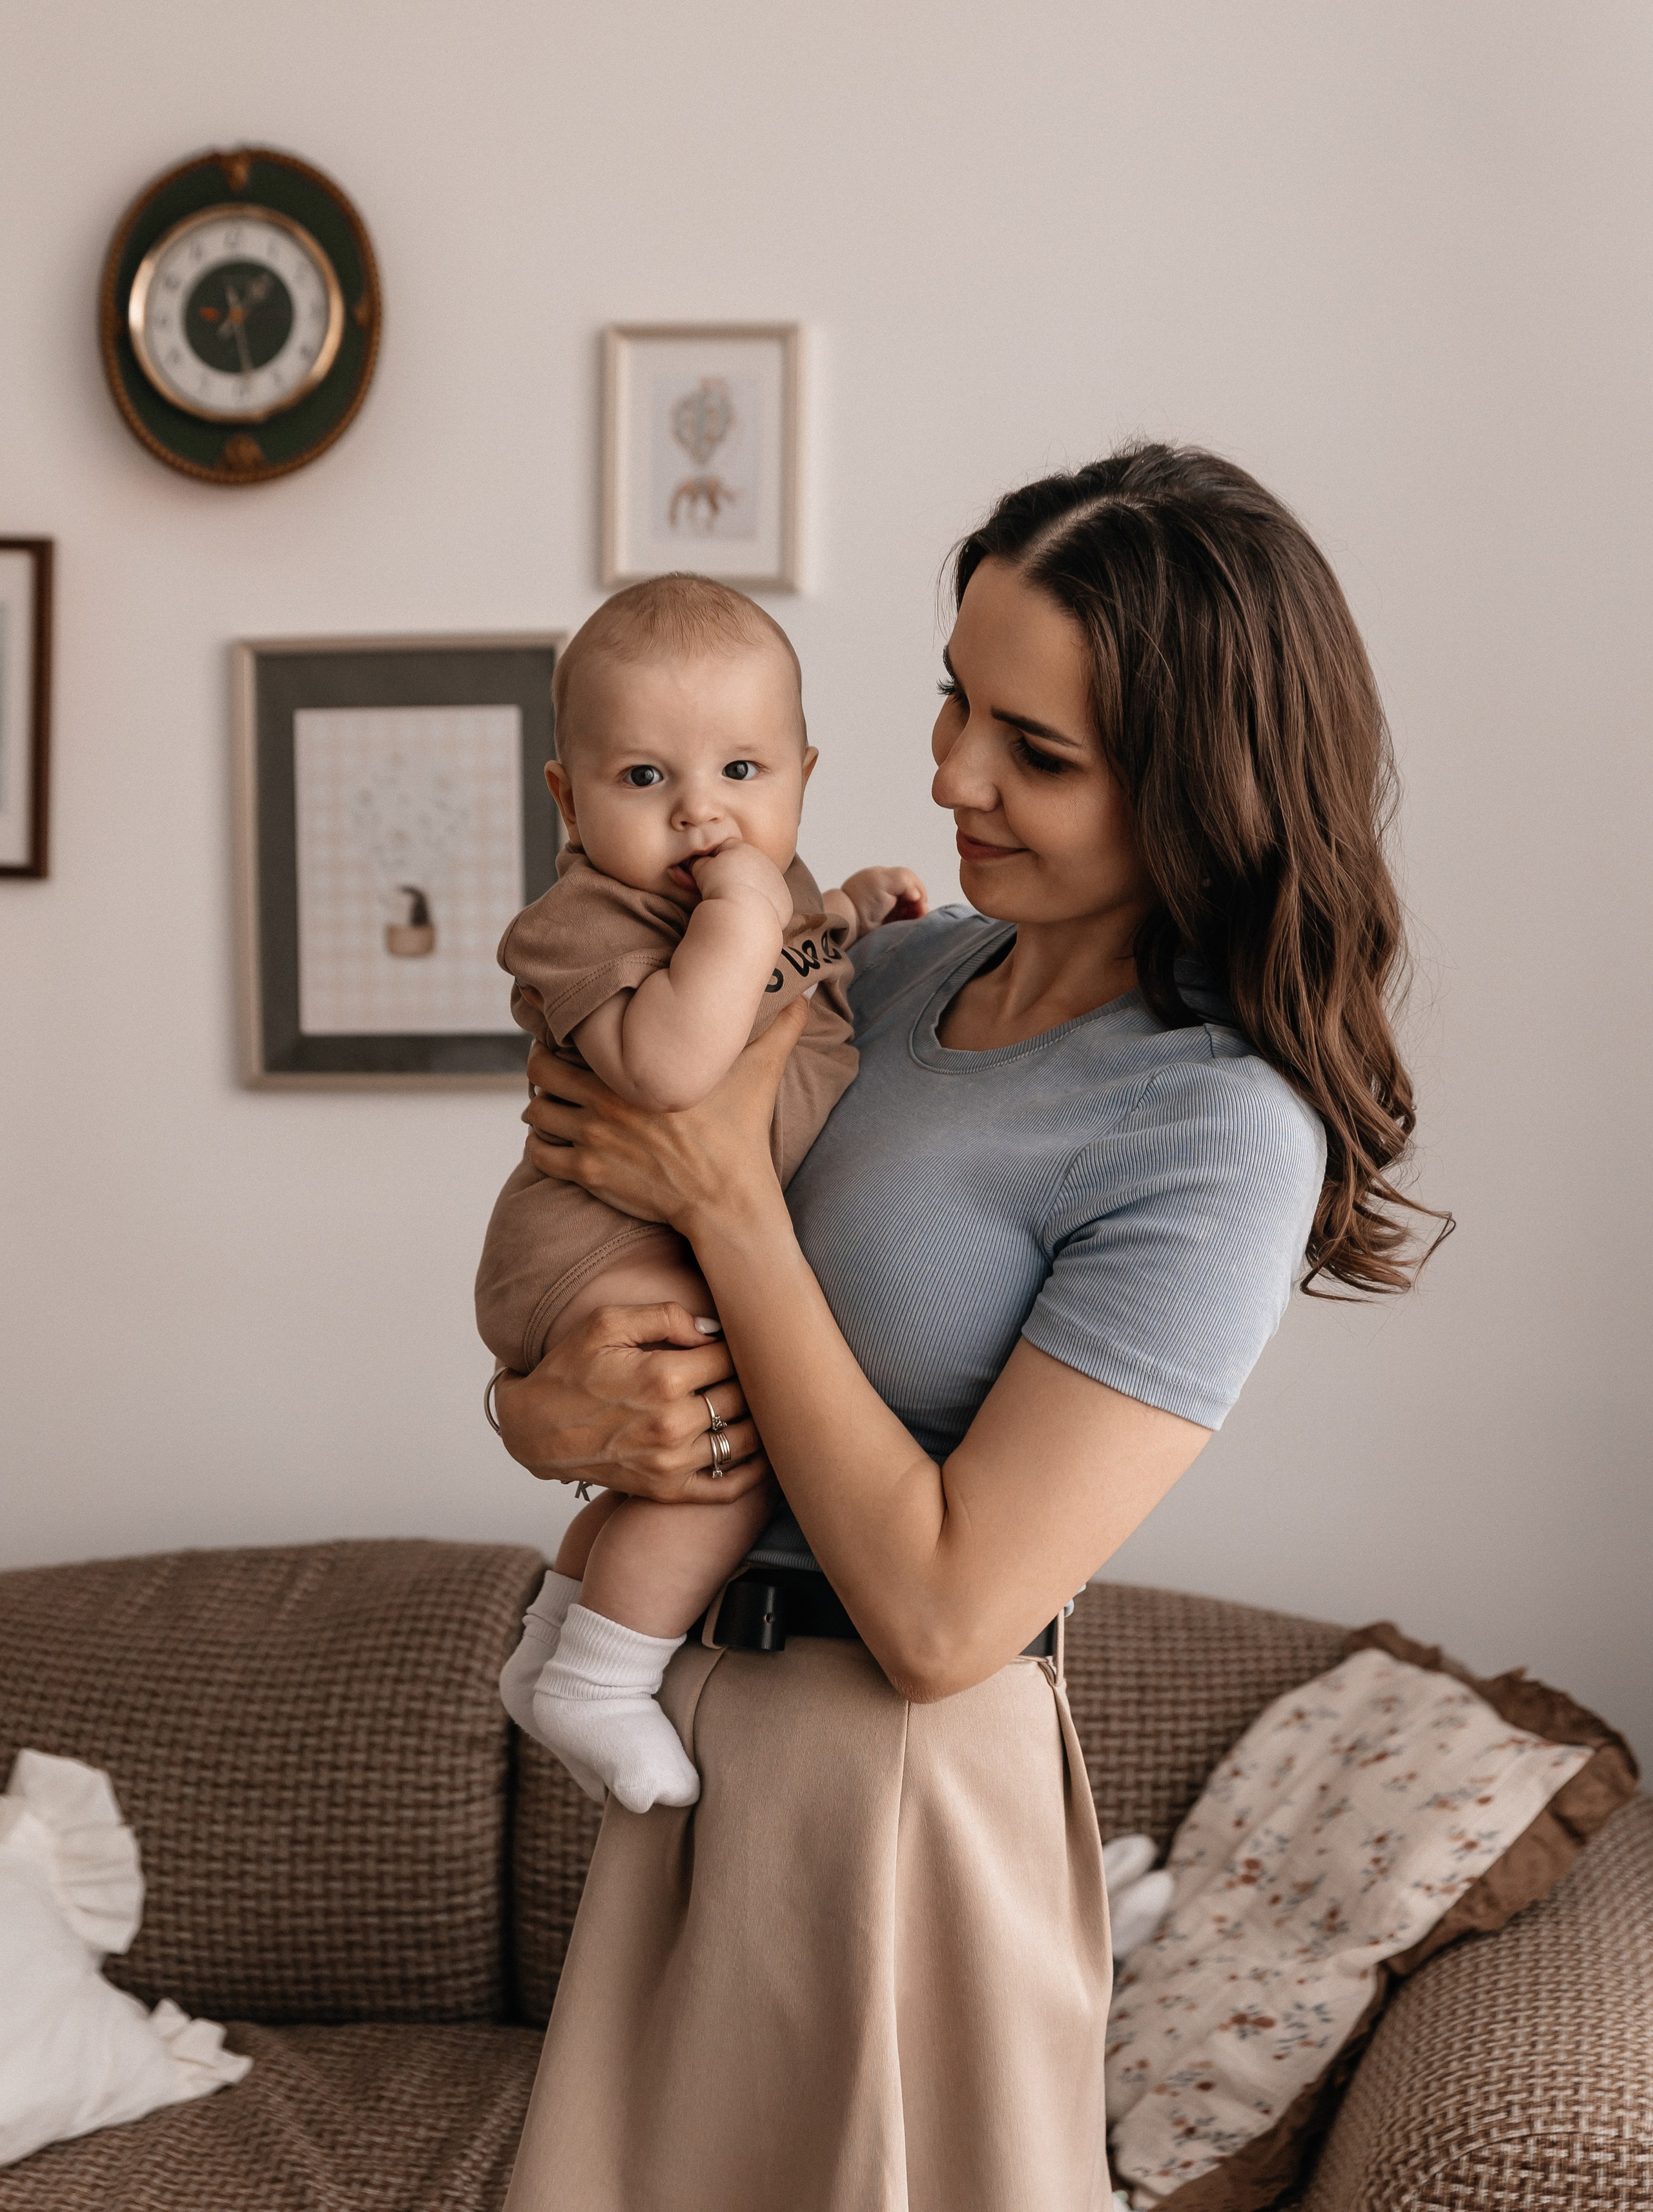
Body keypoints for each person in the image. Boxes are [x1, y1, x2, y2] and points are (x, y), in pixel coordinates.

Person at [490, 444, 1446, 2212]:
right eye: (954, 701)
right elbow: (611, 1250)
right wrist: (545, 1407)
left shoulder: (1214, 1128)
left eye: (1038, 752)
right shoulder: (894, 972)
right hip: (706, 1750)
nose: (952, 773)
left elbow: (943, 1615)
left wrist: (723, 1198)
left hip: (904, 1796)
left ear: (1202, 791)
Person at [478, 573, 926, 1812]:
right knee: (738, 1441)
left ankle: (555, 1642)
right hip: (589, 1243)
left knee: (658, 1469)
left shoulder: (764, 893)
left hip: (648, 1232)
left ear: (803, 774)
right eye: (644, 781)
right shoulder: (585, 920)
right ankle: (604, 1681)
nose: (702, 819)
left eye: (743, 774)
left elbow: (793, 960)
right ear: (566, 796)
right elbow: (672, 1068)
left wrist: (846, 912)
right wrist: (743, 912)